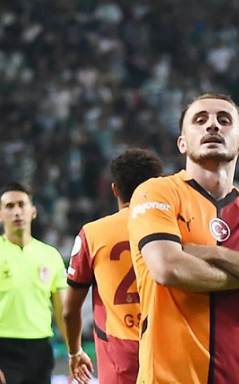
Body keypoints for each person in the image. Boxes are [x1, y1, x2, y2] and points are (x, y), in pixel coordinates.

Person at [128, 93, 239, 384]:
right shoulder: (157, 192)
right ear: (182, 143)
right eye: (200, 120)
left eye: (224, 120)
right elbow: (169, 269)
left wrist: (216, 254)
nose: (212, 125)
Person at [63, 149, 163, 384]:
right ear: (157, 187)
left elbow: (70, 310)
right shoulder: (176, 229)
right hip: (167, 350)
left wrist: (75, 352)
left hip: (119, 356)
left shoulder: (92, 234)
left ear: (115, 189)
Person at [0, 182, 69, 384]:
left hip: (39, 350)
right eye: (10, 206)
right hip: (2, 348)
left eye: (22, 205)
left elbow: (63, 311)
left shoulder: (50, 255)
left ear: (33, 211)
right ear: (0, 215)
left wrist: (74, 352)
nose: (17, 212)